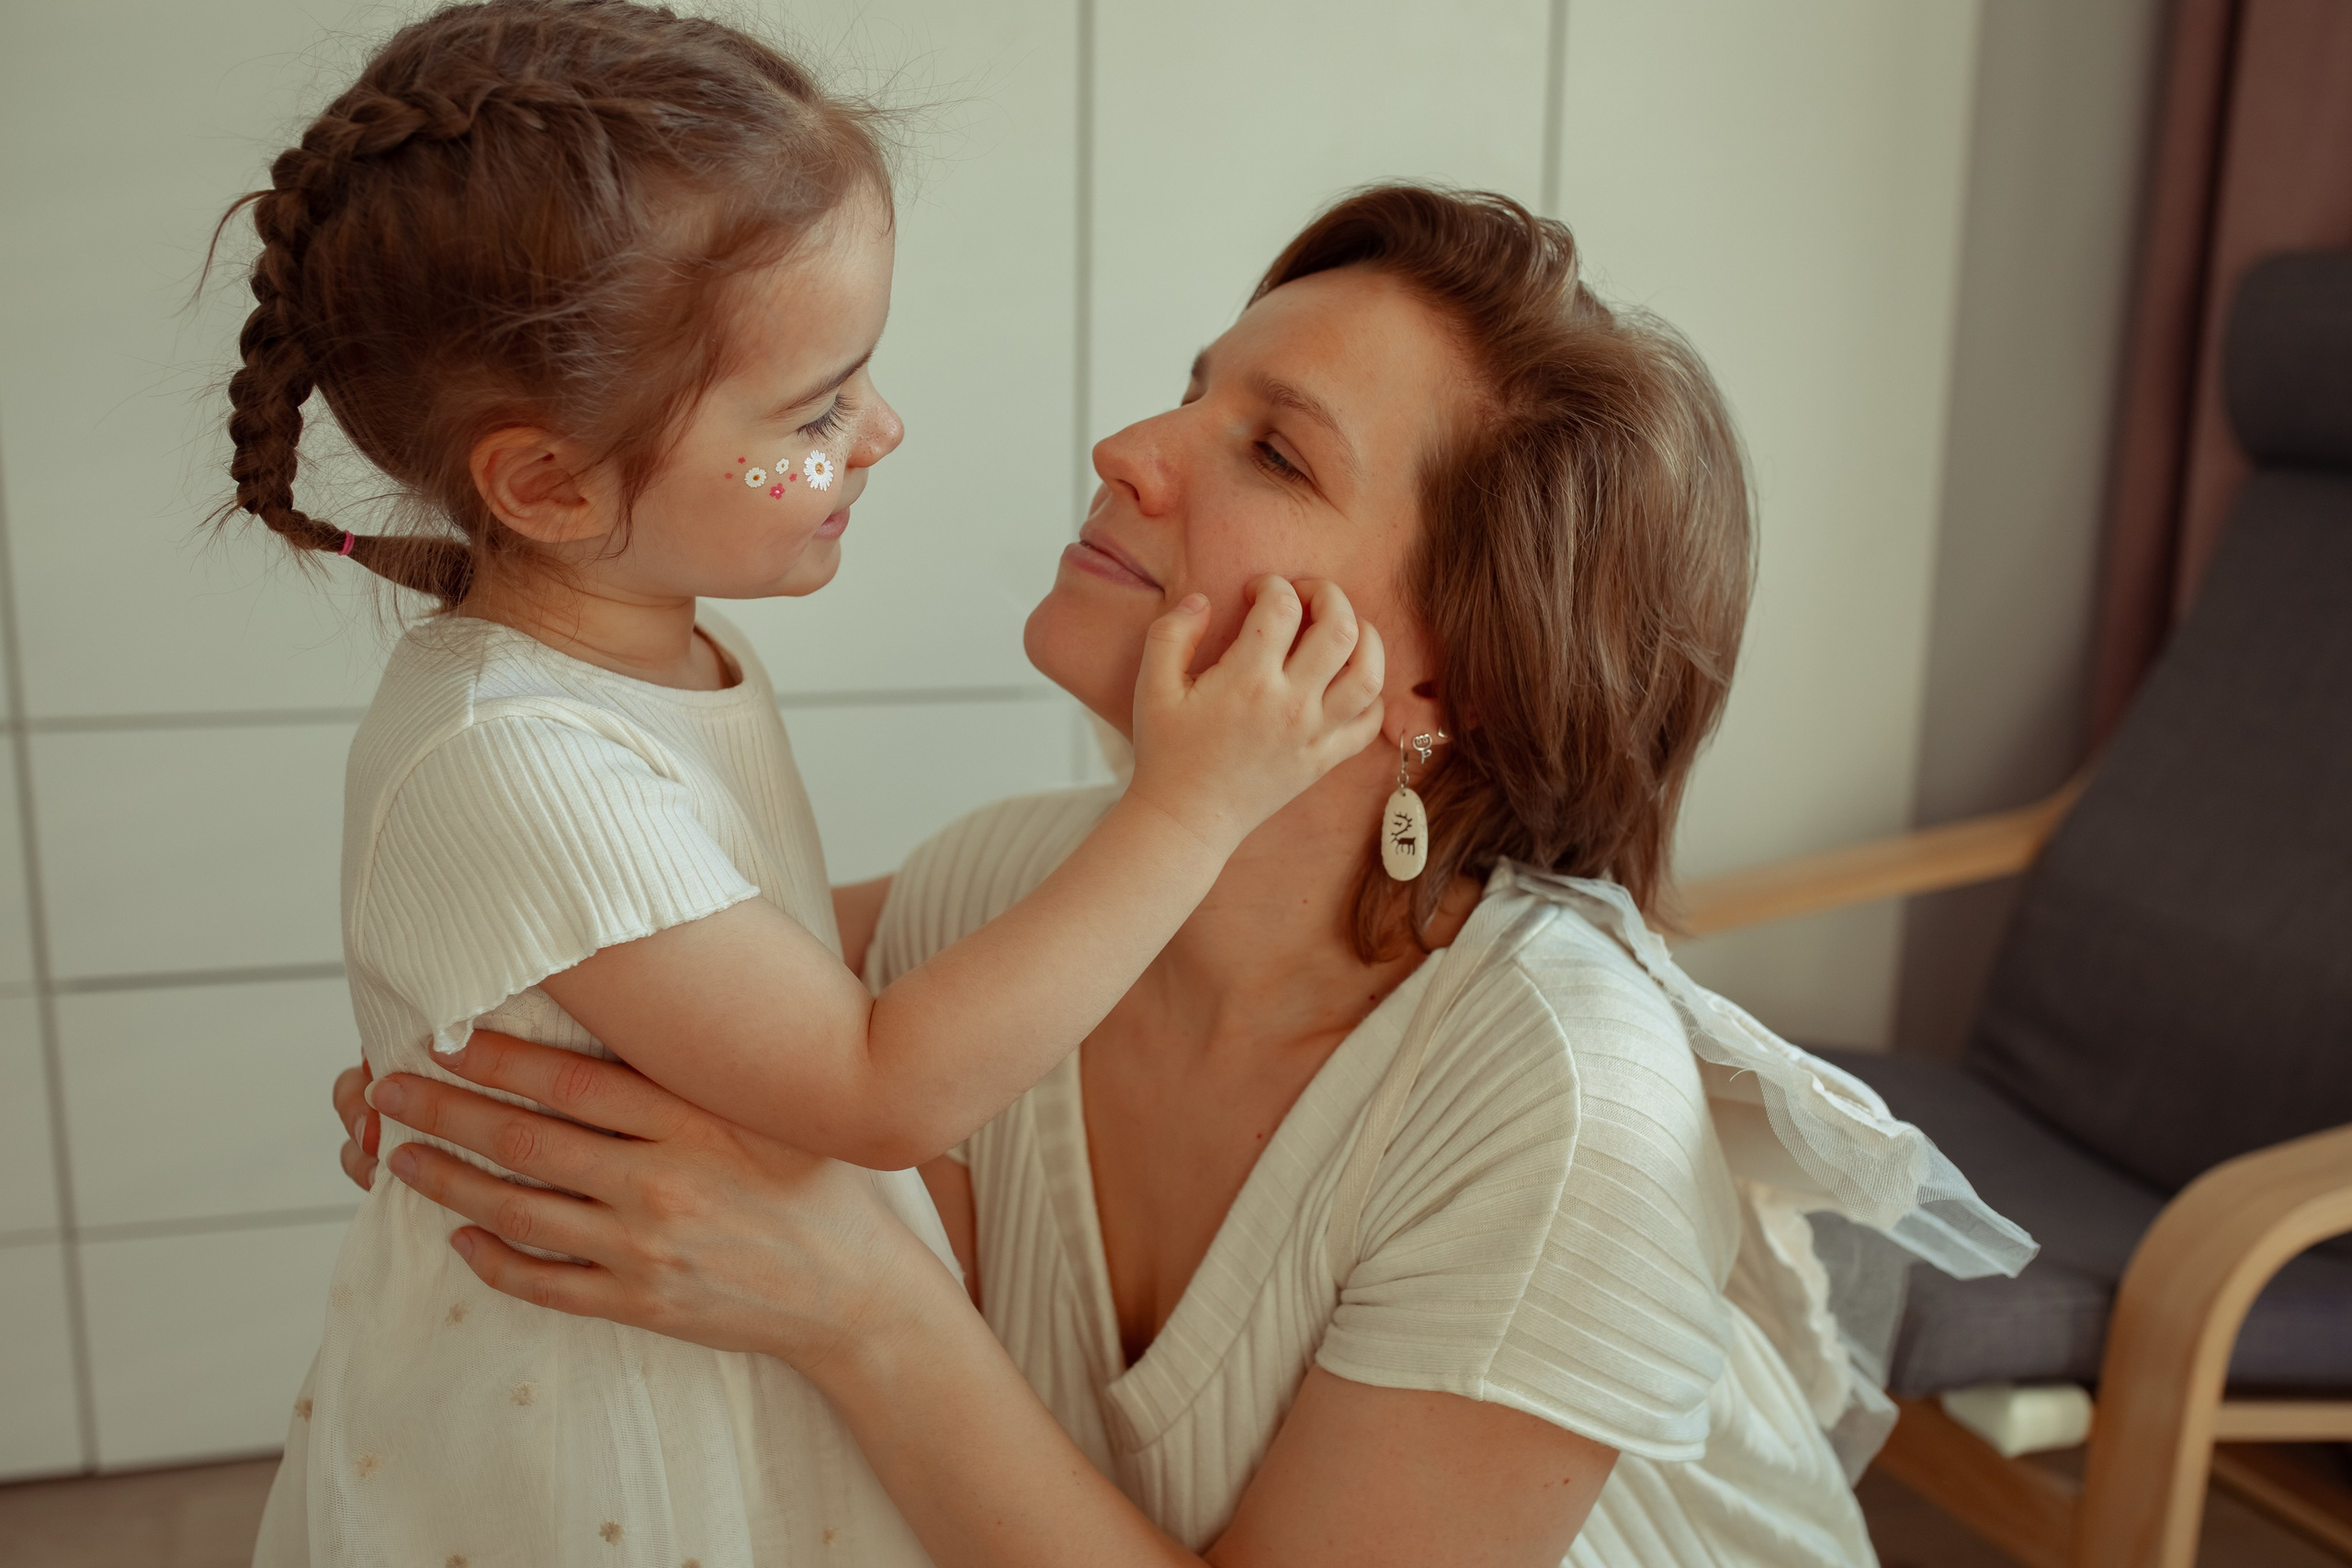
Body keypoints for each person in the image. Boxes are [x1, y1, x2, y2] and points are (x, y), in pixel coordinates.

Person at [335, 186, 2035, 1565]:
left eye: (1274, 453)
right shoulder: (1000, 899)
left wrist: (857, 1308)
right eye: (1192, 384)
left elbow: (841, 1241)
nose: (1133, 447)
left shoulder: (1565, 1107)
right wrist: (491, 1065)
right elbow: (654, 985)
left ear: (1452, 682)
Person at [220, 4, 1385, 1562]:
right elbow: (880, 1087)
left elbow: (725, 936)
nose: (882, 432)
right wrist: (1191, 809)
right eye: (816, 411)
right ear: (550, 484)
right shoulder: (511, 752)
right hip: (592, 1445)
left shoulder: (646, 653)